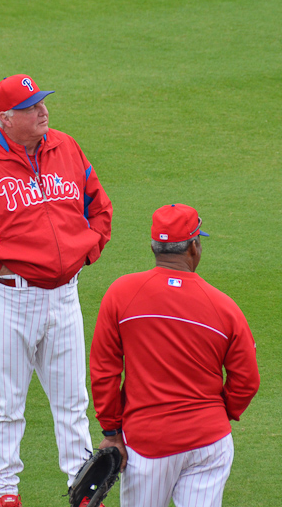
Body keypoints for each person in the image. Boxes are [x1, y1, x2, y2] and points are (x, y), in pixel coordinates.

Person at [0, 75, 113, 507]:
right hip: (6, 298)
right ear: (5, 118)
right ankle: (7, 492)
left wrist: (84, 253)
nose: (43, 112)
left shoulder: (65, 147)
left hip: (64, 295)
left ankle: (82, 486)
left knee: (72, 400)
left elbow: (99, 208)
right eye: (31, 108)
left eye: (42, 104)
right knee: (8, 402)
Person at [90, 203, 260, 507]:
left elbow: (105, 370)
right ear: (194, 247)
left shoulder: (120, 294)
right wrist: (219, 413)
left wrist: (112, 431)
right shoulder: (225, 308)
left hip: (147, 444)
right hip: (208, 443)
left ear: (154, 248)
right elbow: (246, 380)